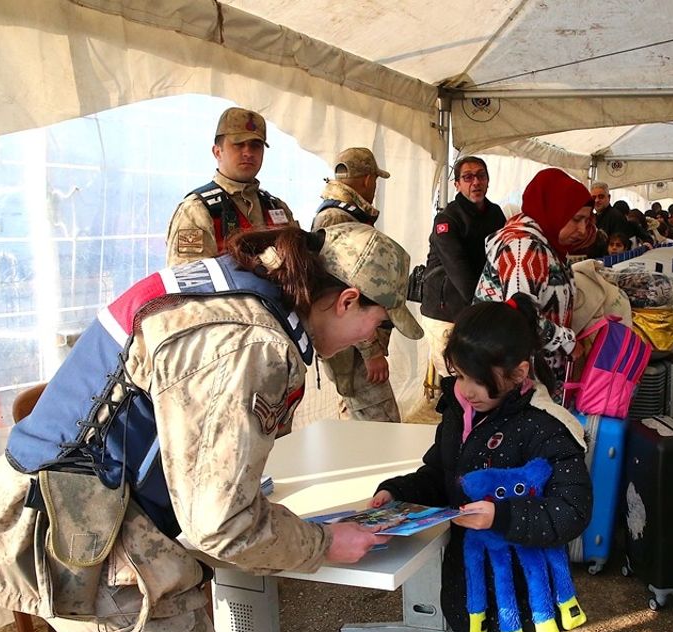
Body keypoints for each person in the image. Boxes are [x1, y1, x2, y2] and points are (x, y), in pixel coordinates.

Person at [0, 223, 424, 632]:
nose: (374, 336)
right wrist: (324, 543)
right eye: (380, 321)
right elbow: (221, 525)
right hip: (88, 540)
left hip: (76, 516)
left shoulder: (242, 295)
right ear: (347, 300)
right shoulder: (252, 341)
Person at [370, 294, 591, 632]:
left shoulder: (545, 428)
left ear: (518, 374)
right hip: (476, 587)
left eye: (475, 379)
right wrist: (395, 493)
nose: (464, 389)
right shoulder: (460, 410)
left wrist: (502, 516)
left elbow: (573, 508)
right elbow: (440, 474)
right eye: (458, 375)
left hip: (528, 599)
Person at [474, 168, 594, 395]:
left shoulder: (546, 243)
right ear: (554, 210)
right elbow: (519, 316)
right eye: (576, 219)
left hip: (530, 374)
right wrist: (567, 341)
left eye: (586, 220)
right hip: (513, 378)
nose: (582, 229)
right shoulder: (524, 248)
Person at [312, 148, 401, 421]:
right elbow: (347, 295)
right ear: (367, 180)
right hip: (354, 351)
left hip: (351, 346)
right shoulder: (338, 219)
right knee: (383, 428)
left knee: (354, 424)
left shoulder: (340, 213)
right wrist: (371, 351)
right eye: (375, 179)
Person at [165, 107, 297, 266]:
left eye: (255, 145)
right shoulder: (196, 211)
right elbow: (187, 281)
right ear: (217, 152)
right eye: (238, 144)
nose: (248, 152)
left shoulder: (277, 207)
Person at [420, 155, 508, 378]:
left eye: (480, 176)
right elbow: (458, 267)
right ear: (457, 184)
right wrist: (486, 311)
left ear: (488, 180)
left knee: (479, 379)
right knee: (456, 380)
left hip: (478, 309)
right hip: (445, 313)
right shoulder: (447, 220)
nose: (475, 182)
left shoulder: (496, 213)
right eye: (468, 177)